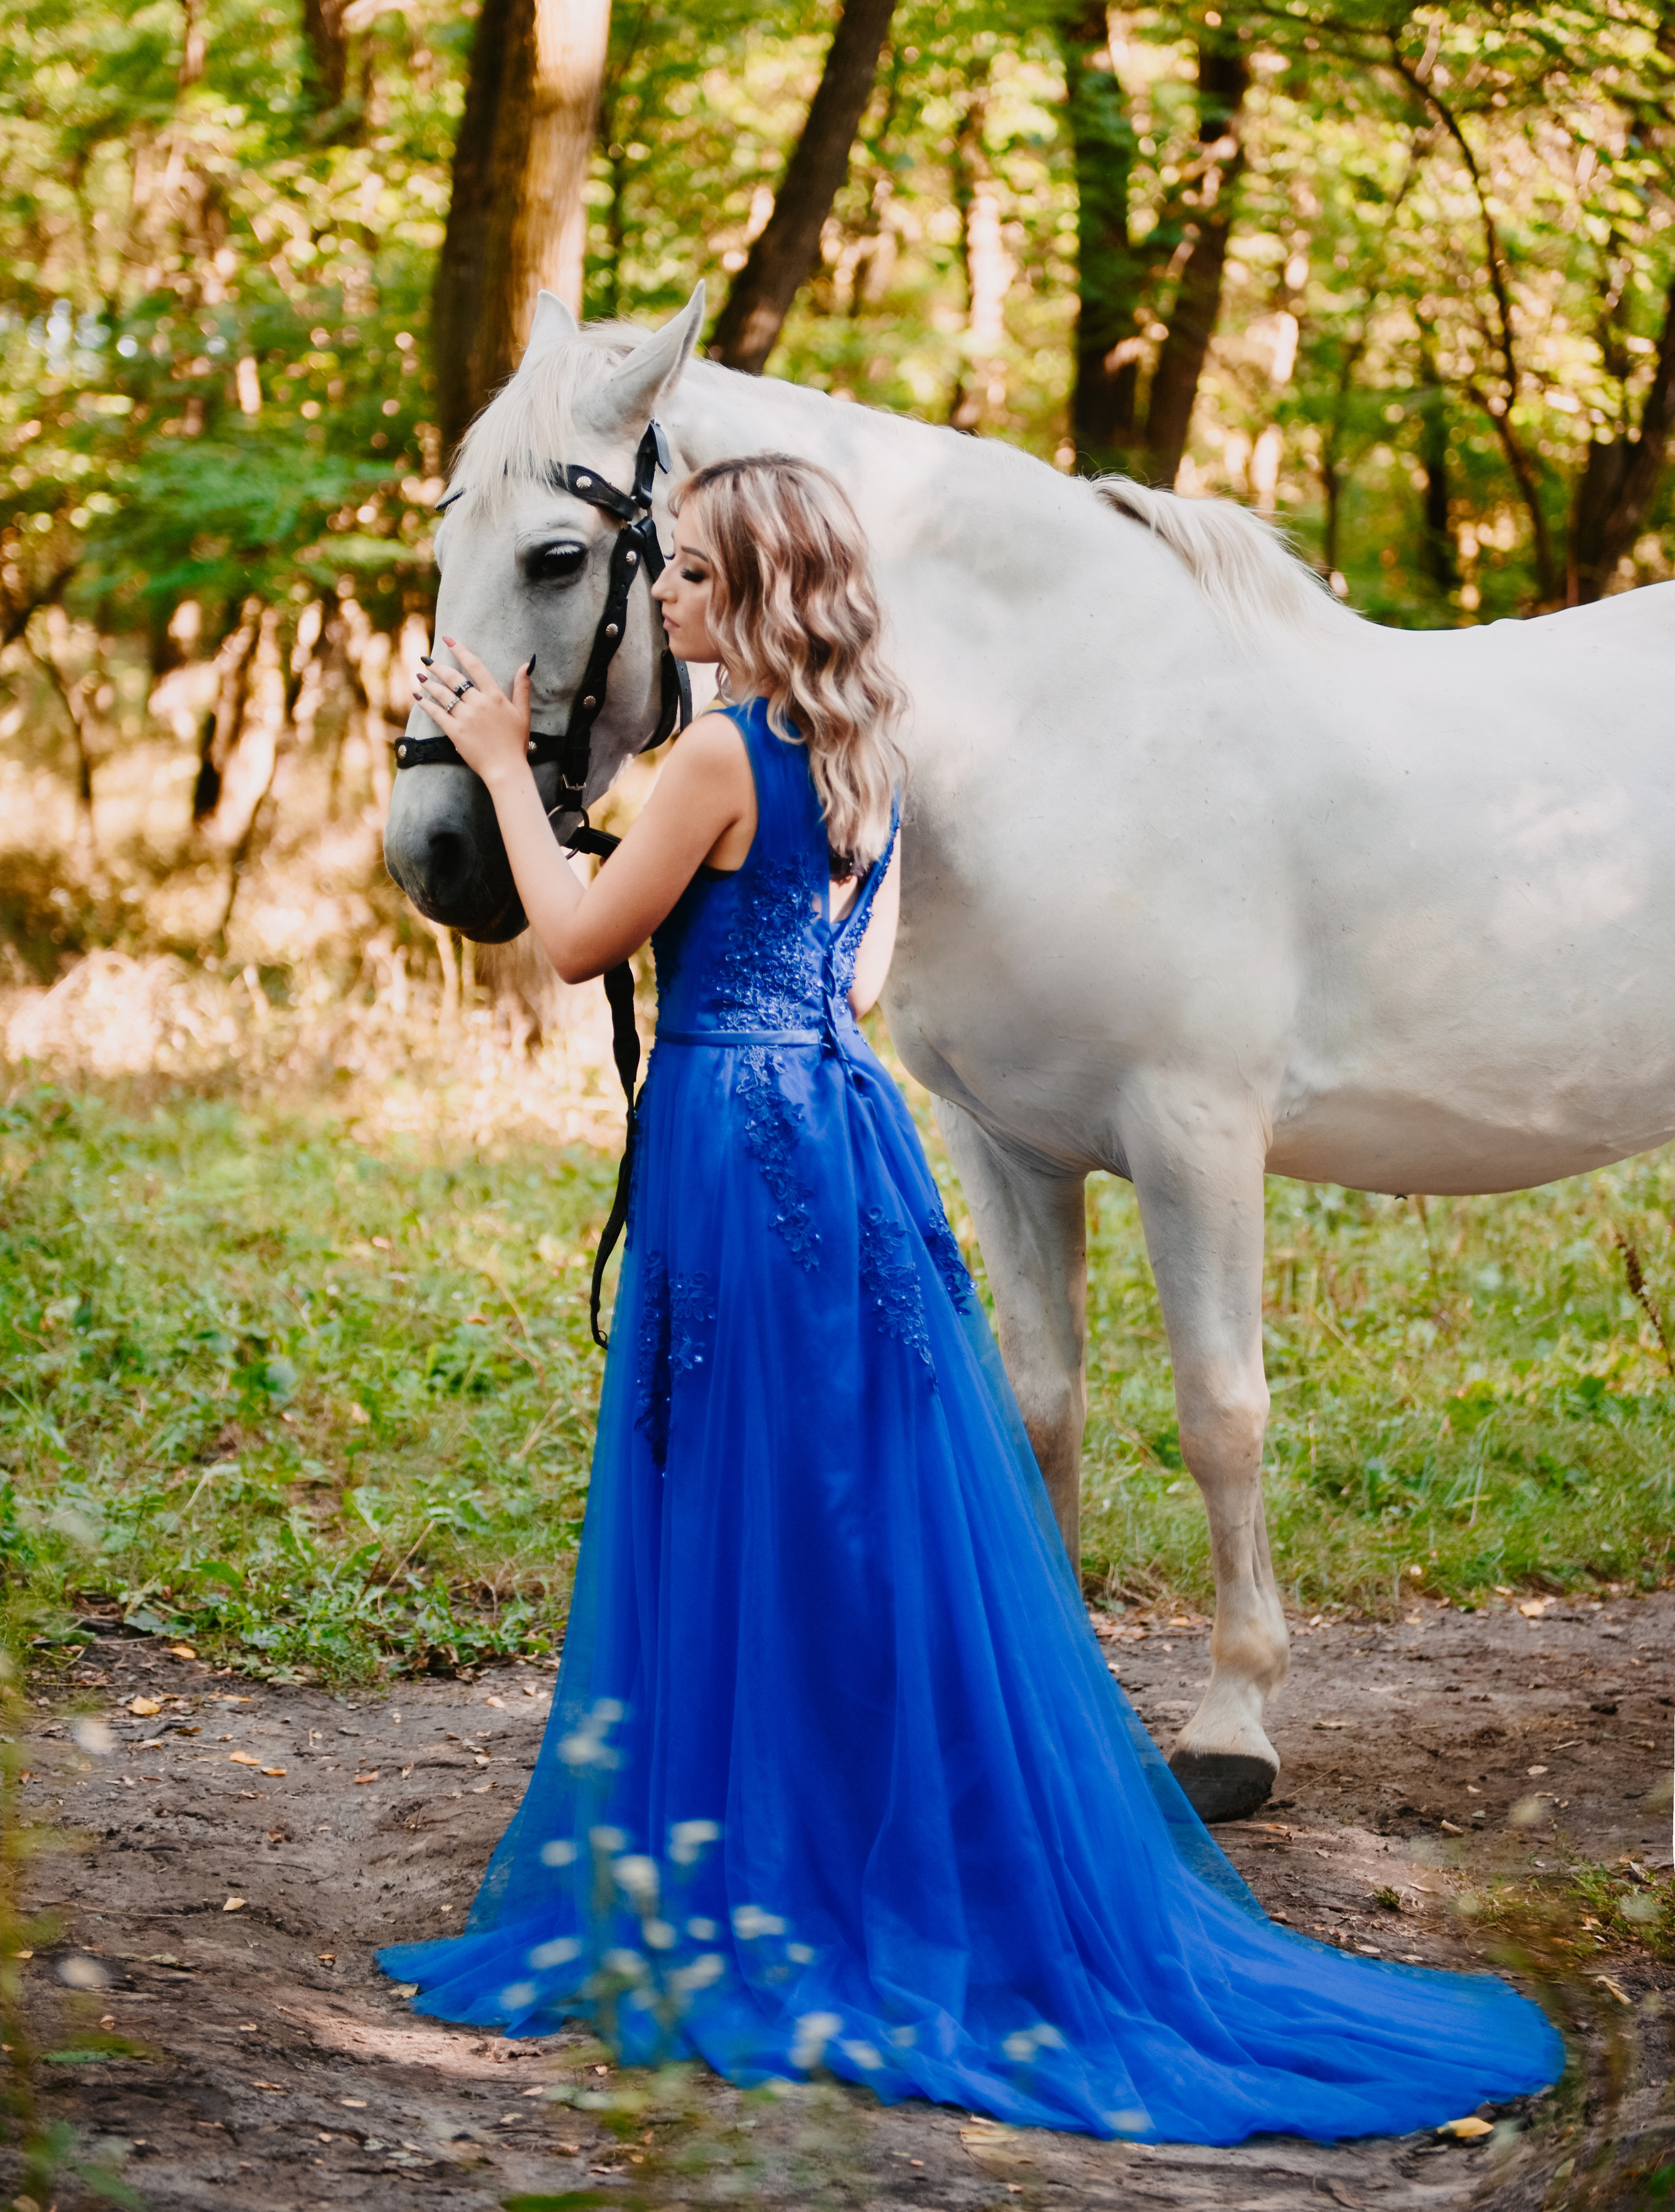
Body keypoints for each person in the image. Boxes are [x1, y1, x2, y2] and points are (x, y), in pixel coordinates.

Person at [379, 454, 1561, 2142]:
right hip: (847, 1133)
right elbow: (858, 973)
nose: (675, 606)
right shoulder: (861, 748)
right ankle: (859, 1810)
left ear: (765, 596)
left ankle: (756, 1836)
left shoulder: (714, 748)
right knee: (849, 1487)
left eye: (700, 580)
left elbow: (573, 943)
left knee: (735, 1484)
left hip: (736, 1133)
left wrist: (502, 765)